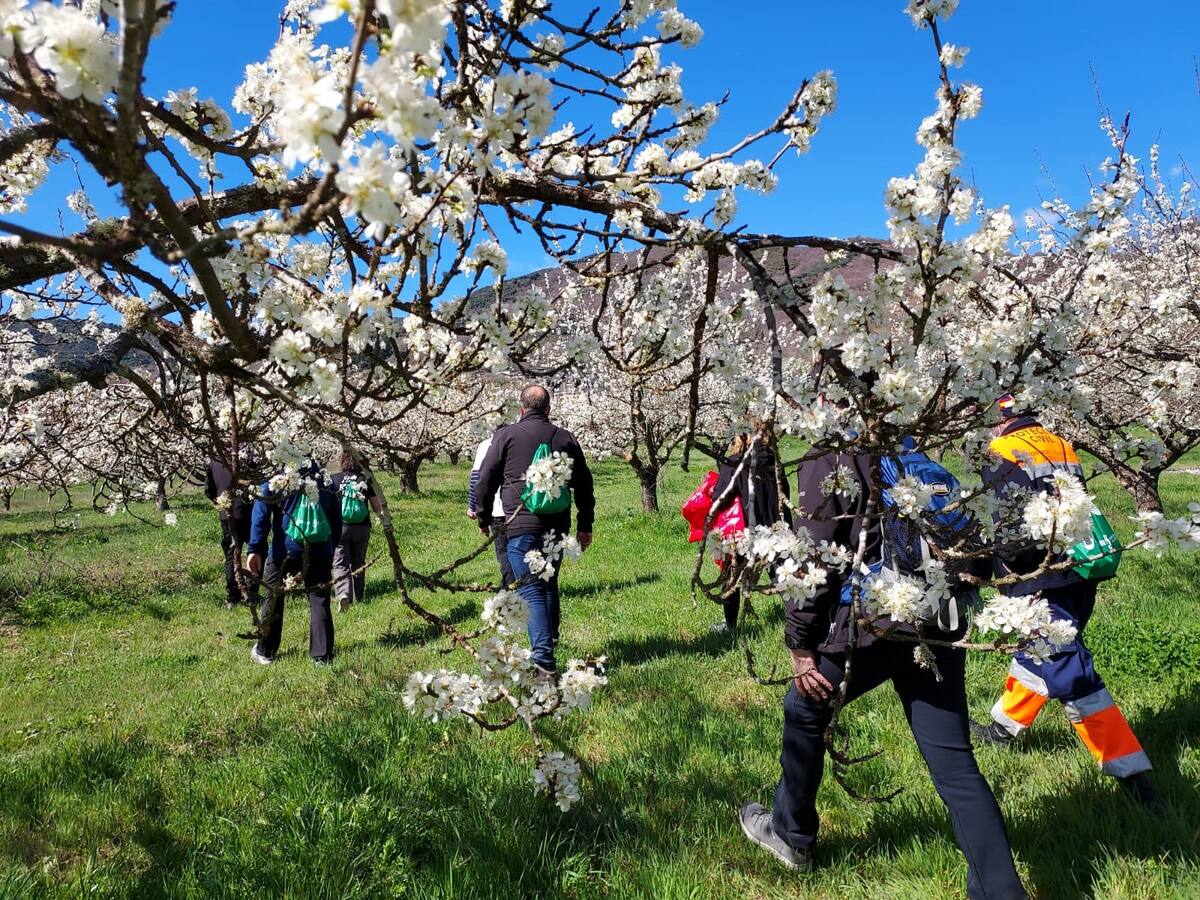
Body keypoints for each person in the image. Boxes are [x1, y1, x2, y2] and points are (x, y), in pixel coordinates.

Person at [739, 441, 1027, 899]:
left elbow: (815, 553)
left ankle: (790, 835)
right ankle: (1000, 890)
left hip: (874, 622)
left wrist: (801, 642)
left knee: (804, 707)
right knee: (954, 763)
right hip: (936, 619)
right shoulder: (913, 444)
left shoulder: (832, 454)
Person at [971, 396, 1161, 809]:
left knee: (1073, 675)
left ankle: (1135, 779)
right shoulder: (1059, 442)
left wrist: (987, 570)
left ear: (998, 422)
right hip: (1079, 570)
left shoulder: (1002, 450)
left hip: (1037, 575)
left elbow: (1003, 520)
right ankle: (1004, 729)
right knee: (1045, 652)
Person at [475, 384, 595, 675]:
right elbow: (585, 483)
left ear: (522, 408)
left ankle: (543, 661)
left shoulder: (506, 436)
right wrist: (585, 525)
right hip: (557, 525)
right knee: (548, 582)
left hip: (520, 525)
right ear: (549, 409)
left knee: (531, 590)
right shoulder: (565, 438)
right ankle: (550, 638)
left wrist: (483, 517)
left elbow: (486, 477)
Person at [246, 460, 342, 666]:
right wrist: (330, 548)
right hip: (319, 548)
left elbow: (261, 514)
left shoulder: (279, 479)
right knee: (319, 598)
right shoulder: (324, 479)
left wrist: (254, 548)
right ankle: (322, 655)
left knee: (274, 597)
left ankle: (266, 651)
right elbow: (336, 518)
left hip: (285, 551)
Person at [710, 433, 791, 633]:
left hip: (744, 531)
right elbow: (785, 494)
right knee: (784, 575)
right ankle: (797, 620)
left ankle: (730, 626)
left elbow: (720, 497)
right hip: (776, 528)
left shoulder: (736, 463)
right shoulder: (775, 462)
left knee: (732, 576)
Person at [330, 450, 383, 612]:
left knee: (340, 563)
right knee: (358, 562)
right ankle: (358, 596)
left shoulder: (334, 479)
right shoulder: (365, 478)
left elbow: (328, 506)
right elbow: (376, 505)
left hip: (341, 528)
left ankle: (343, 593)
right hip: (362, 527)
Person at [204, 457, 259, 609]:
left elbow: (208, 490)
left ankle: (232, 596)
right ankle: (252, 590)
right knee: (256, 549)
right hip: (249, 513)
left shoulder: (214, 461)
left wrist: (221, 502)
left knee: (231, 554)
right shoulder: (247, 458)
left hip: (227, 514)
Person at [468, 434, 514, 586]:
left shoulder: (487, 444)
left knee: (504, 553)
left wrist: (474, 506)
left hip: (498, 510)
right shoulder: (523, 439)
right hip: (522, 509)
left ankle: (510, 588)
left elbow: (477, 477)